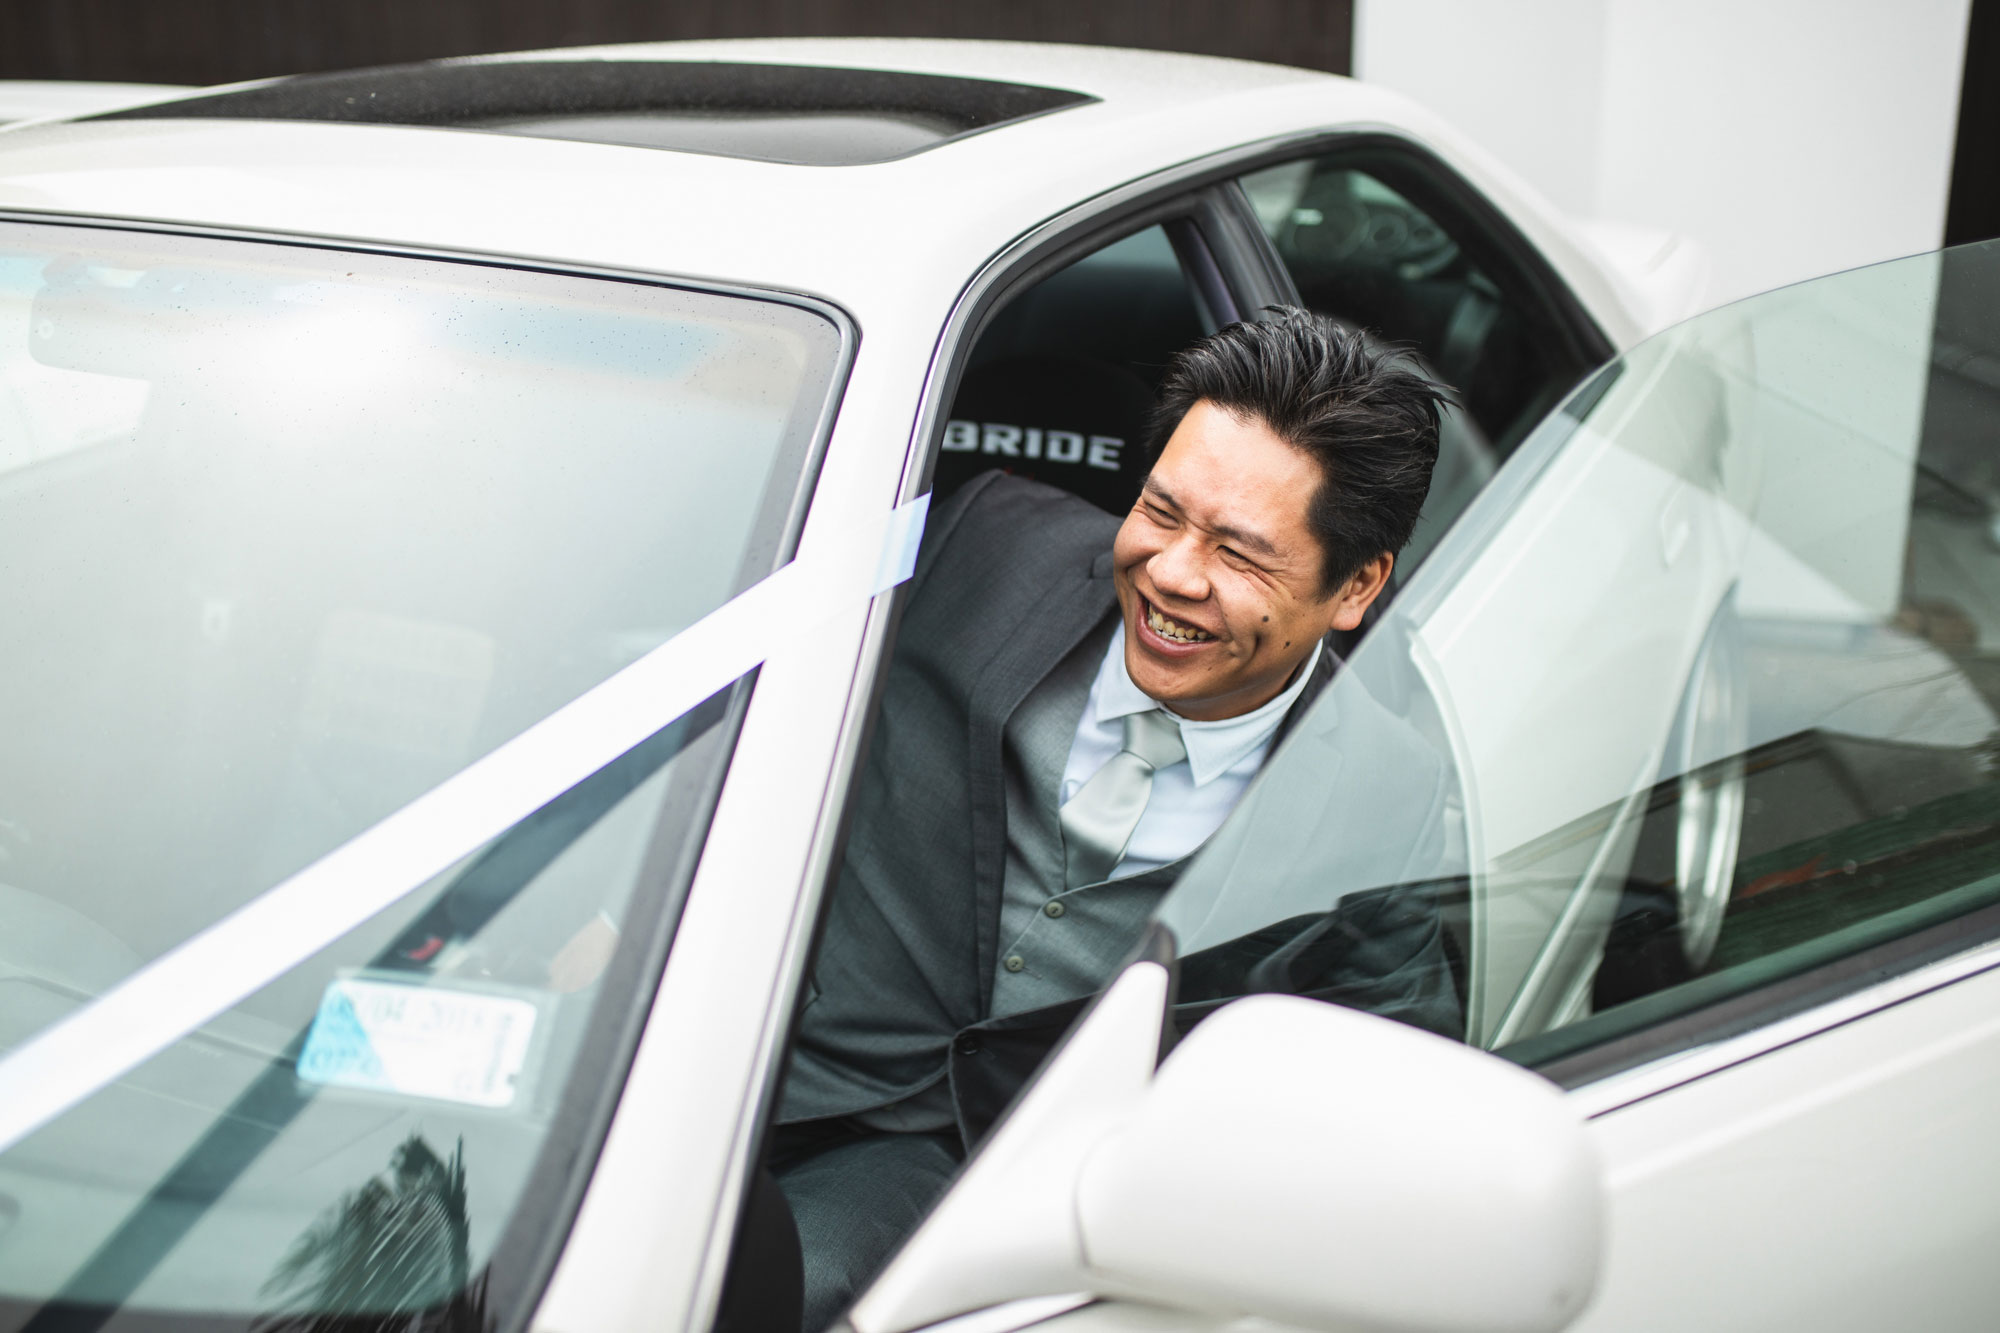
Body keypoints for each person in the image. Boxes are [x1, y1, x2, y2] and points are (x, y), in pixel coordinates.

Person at [769, 308, 1452, 1330]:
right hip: (751, 1073)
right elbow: (746, 711)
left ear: (1353, 585)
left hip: (1041, 1214)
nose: (1173, 571)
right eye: (1160, 511)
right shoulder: (975, 541)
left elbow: (1391, 1079)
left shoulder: (1378, 790)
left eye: (1238, 551)